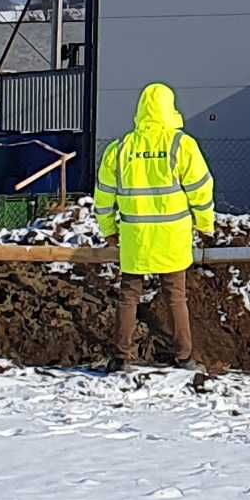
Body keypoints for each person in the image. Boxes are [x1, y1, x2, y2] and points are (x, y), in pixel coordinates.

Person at [94, 81, 215, 369]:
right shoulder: (181, 144)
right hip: (172, 237)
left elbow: (103, 196)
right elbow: (201, 188)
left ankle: (121, 356)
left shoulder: (120, 148)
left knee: (128, 295)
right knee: (175, 296)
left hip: (135, 238)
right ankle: (184, 356)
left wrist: (109, 230)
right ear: (170, 108)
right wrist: (205, 225)